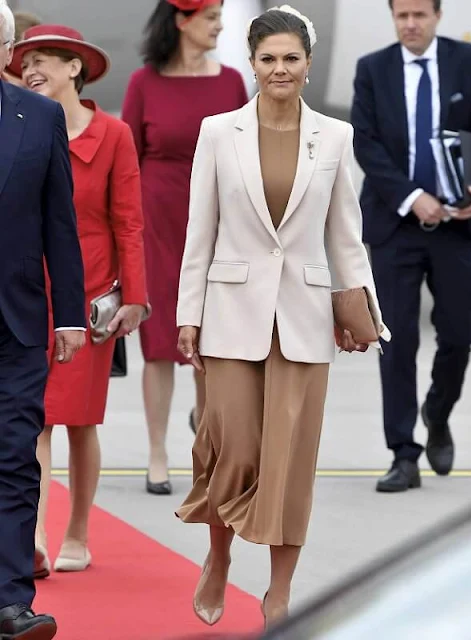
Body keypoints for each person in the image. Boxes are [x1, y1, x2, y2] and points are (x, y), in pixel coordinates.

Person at [175, 5, 388, 629]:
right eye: (268, 58)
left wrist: (361, 310)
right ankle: (218, 558)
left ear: (308, 64)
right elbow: (200, 233)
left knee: (291, 460)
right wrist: (189, 314)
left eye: (291, 58)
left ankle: (280, 592)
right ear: (252, 62)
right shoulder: (219, 132)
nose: (280, 69)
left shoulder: (335, 137)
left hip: (303, 318)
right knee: (231, 451)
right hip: (230, 314)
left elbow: (347, 235)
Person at [351, 0, 471, 493]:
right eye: (401, 15)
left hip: (456, 224)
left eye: (419, 15)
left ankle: (438, 411)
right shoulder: (373, 69)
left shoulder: (470, 62)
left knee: (459, 335)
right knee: (395, 340)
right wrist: (410, 197)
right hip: (395, 226)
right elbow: (366, 142)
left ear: (438, 16)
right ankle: (404, 452)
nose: (410, 24)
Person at [9, 24, 149, 575]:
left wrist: (134, 297)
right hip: (23, 295)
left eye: (44, 58)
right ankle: (37, 535)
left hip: (86, 299)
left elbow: (129, 221)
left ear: (75, 67)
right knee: (32, 418)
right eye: (24, 59)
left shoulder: (113, 135)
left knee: (80, 422)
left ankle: (78, 531)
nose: (30, 67)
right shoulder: (20, 127)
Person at [122, 0, 248, 496]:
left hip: (216, 222)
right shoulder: (144, 83)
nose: (220, 26)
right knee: (158, 342)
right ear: (181, 22)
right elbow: (128, 159)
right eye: (211, 18)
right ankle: (157, 453)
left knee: (211, 342)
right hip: (158, 220)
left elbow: (244, 155)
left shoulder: (232, 82)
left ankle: (207, 448)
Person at [0, 5, 86, 640]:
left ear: (7, 48)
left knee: (14, 457)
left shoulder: (41, 115)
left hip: (20, 318)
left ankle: (10, 601)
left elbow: (62, 221)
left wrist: (73, 315)